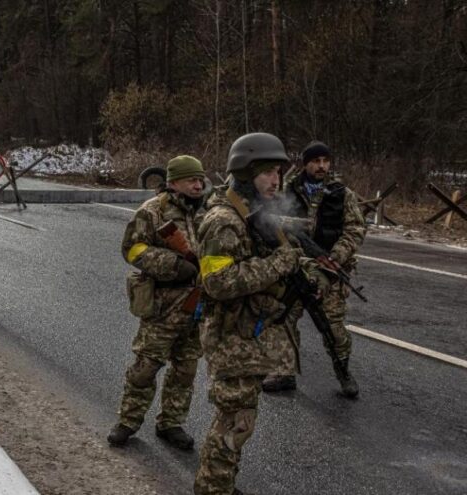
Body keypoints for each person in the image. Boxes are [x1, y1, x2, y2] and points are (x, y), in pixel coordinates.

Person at [193, 133, 327, 494]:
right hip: (231, 339)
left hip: (247, 338)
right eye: (267, 172)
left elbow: (277, 255)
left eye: (279, 172)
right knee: (234, 422)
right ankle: (212, 488)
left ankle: (220, 482)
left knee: (240, 422)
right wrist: (279, 264)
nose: (276, 180)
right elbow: (217, 281)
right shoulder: (224, 219)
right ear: (245, 171)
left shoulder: (253, 212)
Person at [107, 155, 207, 451]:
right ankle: (128, 421)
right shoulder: (152, 212)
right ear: (174, 182)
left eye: (201, 179)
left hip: (196, 304)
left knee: (185, 370)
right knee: (146, 367)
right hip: (163, 305)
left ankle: (171, 423)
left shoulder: (208, 213)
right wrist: (173, 263)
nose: (198, 184)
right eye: (192, 179)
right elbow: (132, 249)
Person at [261, 141, 365, 397]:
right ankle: (284, 372)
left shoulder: (341, 193)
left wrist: (334, 259)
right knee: (281, 319)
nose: (321, 166)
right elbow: (268, 224)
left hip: (329, 270)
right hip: (294, 268)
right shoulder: (286, 191)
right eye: (316, 161)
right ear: (305, 163)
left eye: (325, 161)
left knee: (333, 328)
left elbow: (355, 230)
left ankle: (343, 373)